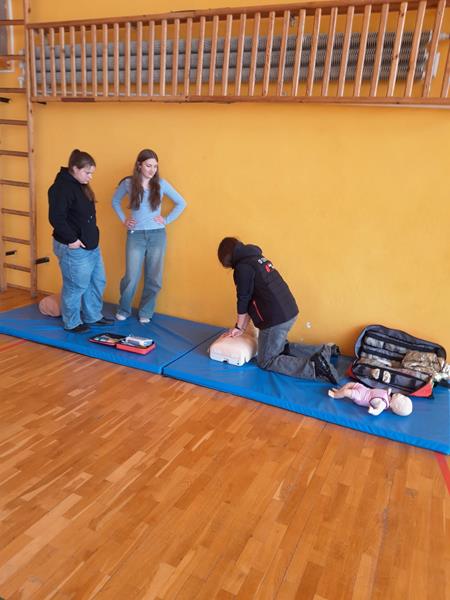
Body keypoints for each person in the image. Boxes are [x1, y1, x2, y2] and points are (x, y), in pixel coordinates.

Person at [217, 237, 340, 383]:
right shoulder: (256, 258)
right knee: (280, 346)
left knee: (266, 360)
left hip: (275, 319)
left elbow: (243, 300)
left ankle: (315, 368)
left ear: (227, 259)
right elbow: (250, 299)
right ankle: (324, 351)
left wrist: (239, 327)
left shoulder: (242, 268)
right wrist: (241, 328)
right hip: (289, 310)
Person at [112, 149, 187, 323]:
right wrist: (124, 220)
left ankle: (146, 312)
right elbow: (115, 201)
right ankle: (124, 309)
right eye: (148, 165)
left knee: (154, 277)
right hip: (135, 236)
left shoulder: (161, 184)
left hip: (157, 235)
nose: (152, 170)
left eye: (155, 166)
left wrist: (166, 220)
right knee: (131, 277)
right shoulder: (128, 183)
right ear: (139, 165)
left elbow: (181, 203)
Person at [48, 149, 112, 333]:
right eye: (87, 172)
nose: (90, 177)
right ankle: (72, 322)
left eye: (92, 173)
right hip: (73, 247)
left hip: (91, 245)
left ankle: (93, 316)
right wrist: (72, 240)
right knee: (76, 286)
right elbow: (56, 218)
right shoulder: (61, 188)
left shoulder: (80, 184)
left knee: (97, 281)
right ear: (74, 168)